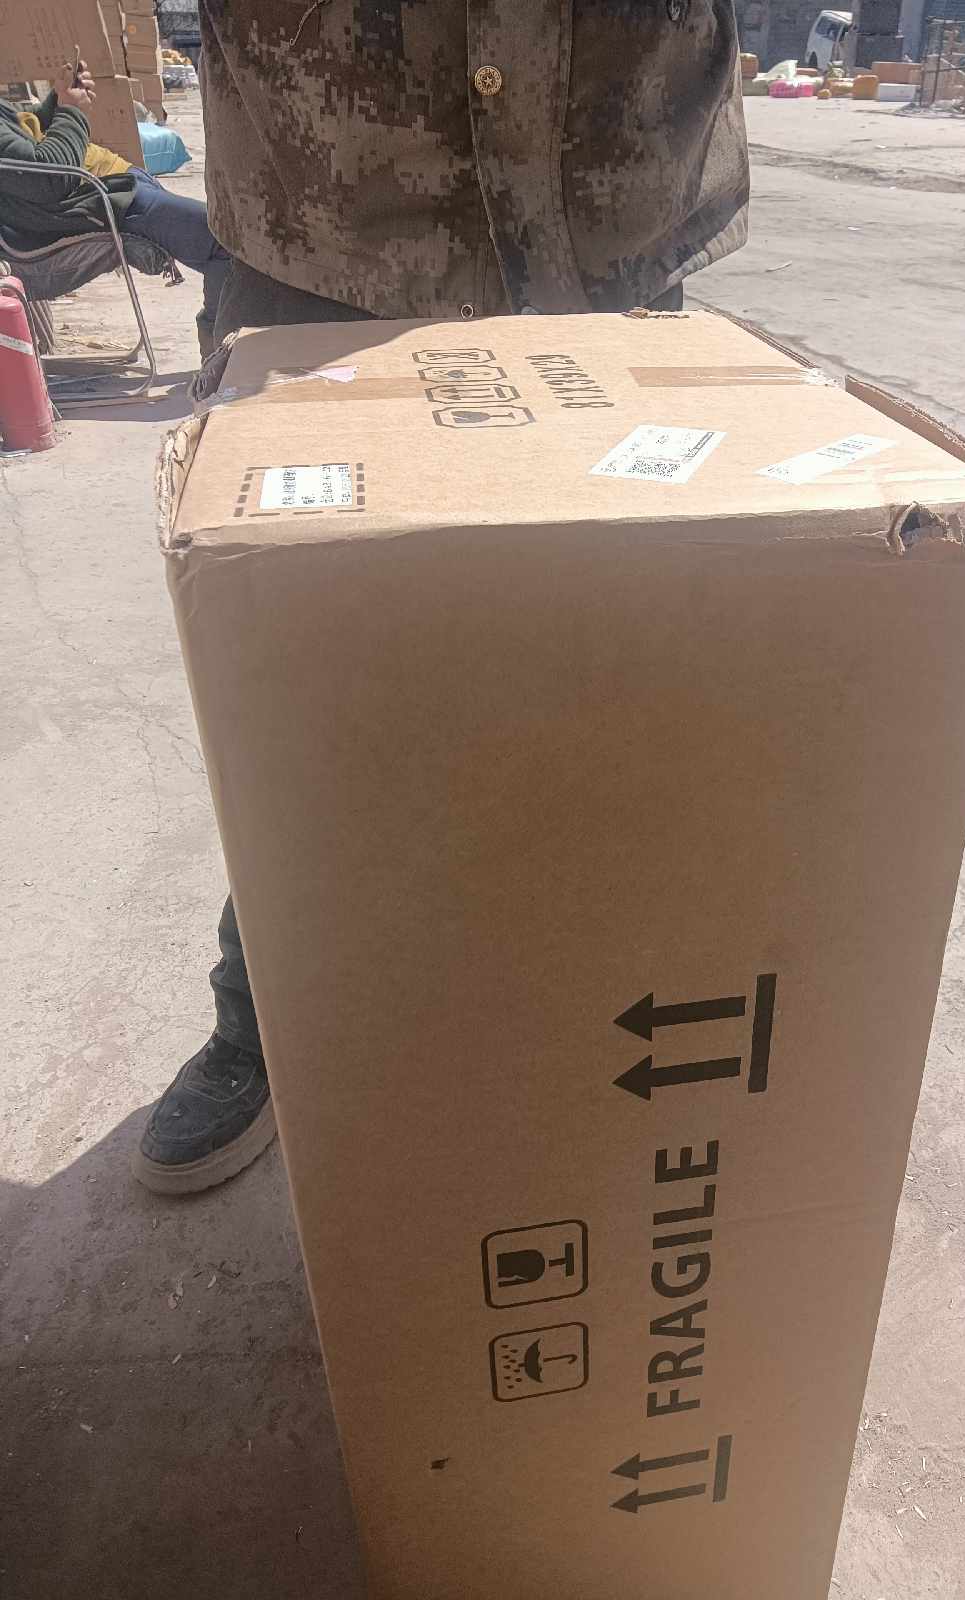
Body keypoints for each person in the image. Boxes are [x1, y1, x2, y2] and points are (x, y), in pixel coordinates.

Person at [132, 0, 749, 1195]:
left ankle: (572, 1002)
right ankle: (263, 1020)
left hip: (607, 197)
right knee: (304, 711)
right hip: (331, 211)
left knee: (610, 681)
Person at [0, 60, 228, 356]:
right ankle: (223, 351)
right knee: (224, 241)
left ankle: (232, 345)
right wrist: (71, 110)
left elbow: (24, 140)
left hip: (110, 189)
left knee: (226, 242)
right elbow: (49, 178)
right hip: (99, 203)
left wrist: (58, 100)